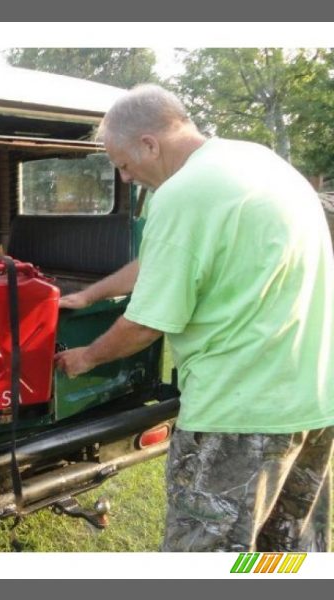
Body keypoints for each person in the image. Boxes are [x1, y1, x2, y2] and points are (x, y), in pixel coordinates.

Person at [54, 84, 334, 552]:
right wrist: (91, 295)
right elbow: (168, 260)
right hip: (311, 400)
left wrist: (85, 358)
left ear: (149, 143)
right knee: (283, 550)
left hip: (241, 416)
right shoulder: (256, 163)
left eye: (123, 164)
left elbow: (147, 324)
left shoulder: (184, 193)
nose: (124, 178)